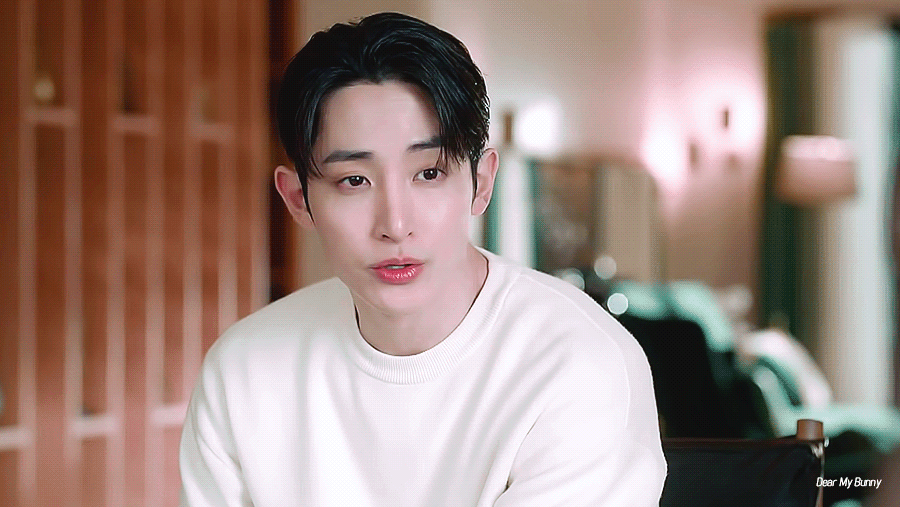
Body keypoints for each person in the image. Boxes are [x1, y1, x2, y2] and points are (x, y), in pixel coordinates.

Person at [179, 11, 666, 506]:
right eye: (354, 180)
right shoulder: (243, 371)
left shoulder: (579, 365)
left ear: (481, 183)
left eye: (429, 173)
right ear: (298, 199)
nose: (395, 223)